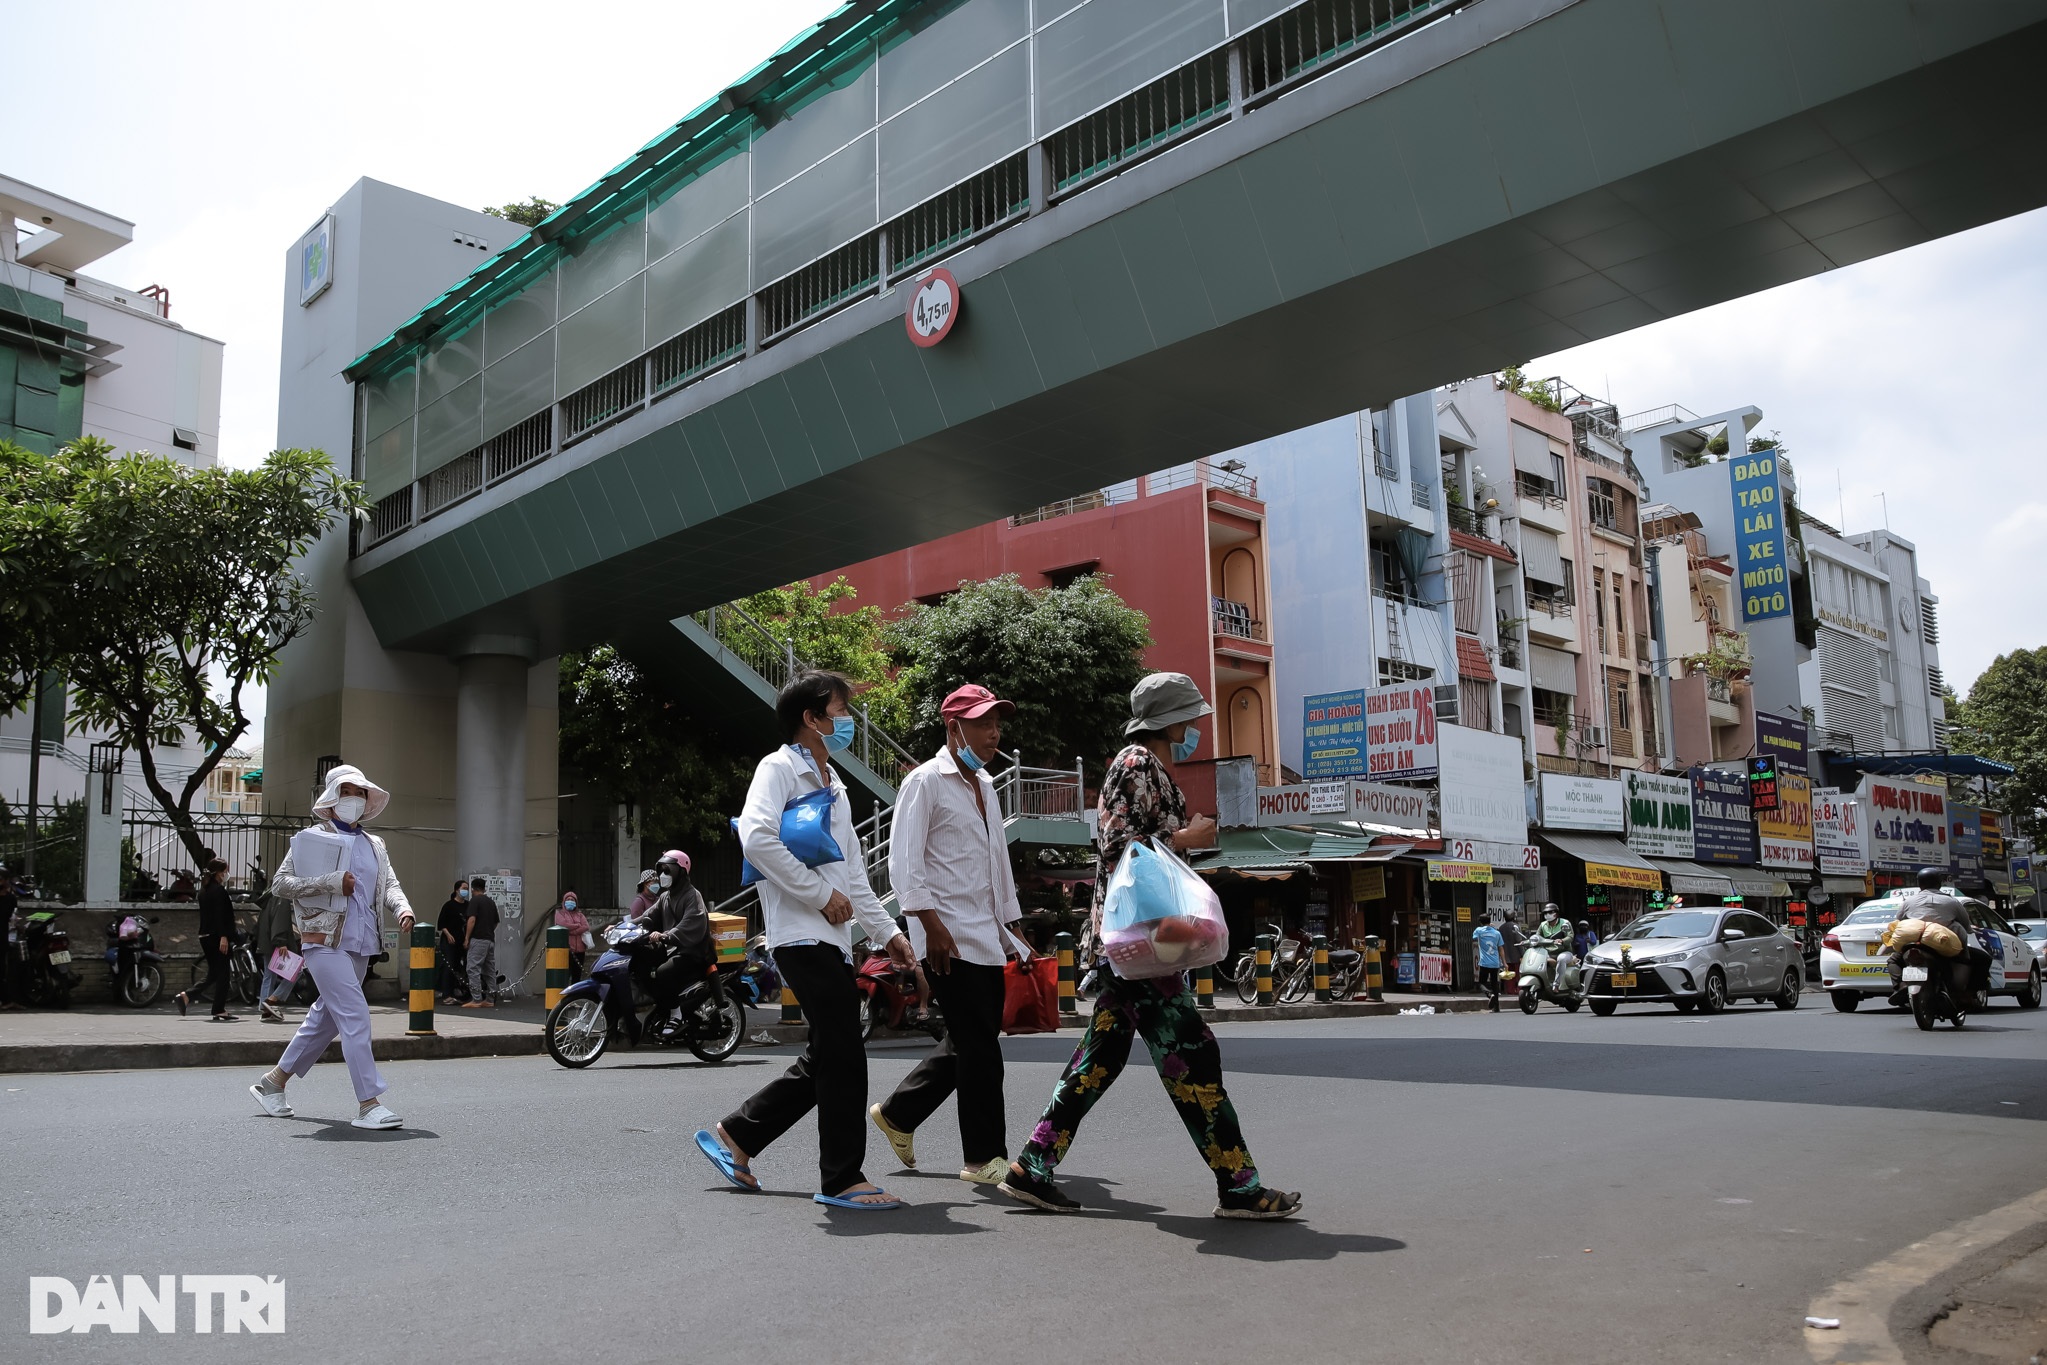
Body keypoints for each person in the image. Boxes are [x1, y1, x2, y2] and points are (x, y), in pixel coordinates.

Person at [1001, 672, 1302, 1220]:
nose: (1194, 728)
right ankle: (1238, 1186)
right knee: (1194, 1055)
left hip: (1139, 946)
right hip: (1145, 945)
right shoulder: (1137, 763)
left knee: (1102, 1057)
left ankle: (1032, 1164)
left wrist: (1182, 840)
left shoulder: (1147, 764)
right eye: (1189, 717)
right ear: (1171, 719)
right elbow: (1121, 845)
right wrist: (1188, 837)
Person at [694, 671, 919, 1210]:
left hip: (834, 939)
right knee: (843, 1052)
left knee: (828, 1053)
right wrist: (819, 895)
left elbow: (856, 876)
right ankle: (841, 1178)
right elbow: (757, 837)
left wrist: (889, 934)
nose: (848, 721)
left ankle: (737, 1136)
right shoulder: (778, 767)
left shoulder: (833, 783)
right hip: (799, 934)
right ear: (810, 719)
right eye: (839, 710)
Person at [869, 684, 1033, 1187]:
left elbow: (997, 865)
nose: (993, 733)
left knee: (972, 1040)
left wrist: (1015, 932)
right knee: (982, 1049)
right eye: (983, 723)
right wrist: (929, 924)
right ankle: (984, 1159)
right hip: (946, 939)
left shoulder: (985, 785)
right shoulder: (924, 782)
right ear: (953, 727)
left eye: (996, 723)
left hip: (986, 935)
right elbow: (904, 863)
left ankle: (898, 1113)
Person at [248, 764, 415, 1129]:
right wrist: (331, 881)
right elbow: (281, 884)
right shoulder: (311, 838)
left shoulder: (376, 845)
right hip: (322, 943)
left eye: (360, 793)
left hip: (362, 944)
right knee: (354, 1016)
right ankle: (369, 1103)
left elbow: (389, 885)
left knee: (323, 1020)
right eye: (347, 792)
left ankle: (273, 1083)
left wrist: (403, 909)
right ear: (332, 797)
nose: (355, 799)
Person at [1886, 867, 1990, 1006]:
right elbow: (1965, 925)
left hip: (1915, 943)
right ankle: (1968, 993)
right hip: (1943, 944)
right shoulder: (1952, 902)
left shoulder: (1908, 902)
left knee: (1892, 961)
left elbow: (1898, 922)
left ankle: (1901, 986)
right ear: (1939, 883)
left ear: (1920, 884)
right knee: (1983, 959)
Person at [641, 851, 715, 1014]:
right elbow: (647, 916)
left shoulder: (693, 896)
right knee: (641, 961)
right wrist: (621, 926)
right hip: (671, 948)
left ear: (680, 871)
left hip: (691, 952)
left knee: (663, 973)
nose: (662, 875)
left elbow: (690, 923)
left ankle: (675, 1013)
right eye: (661, 871)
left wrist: (664, 935)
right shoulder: (665, 897)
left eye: (667, 871)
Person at [175, 859, 240, 1021]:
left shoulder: (204, 890)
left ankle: (187, 997)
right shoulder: (218, 891)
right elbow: (220, 916)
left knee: (214, 973)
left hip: (205, 935)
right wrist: (224, 936)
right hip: (216, 937)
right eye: (225, 871)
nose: (226, 874)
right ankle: (218, 1009)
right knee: (223, 973)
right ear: (219, 873)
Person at [254, 878, 300, 1023]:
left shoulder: (269, 897)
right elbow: (279, 920)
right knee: (296, 971)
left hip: (267, 941)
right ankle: (272, 1000)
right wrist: (281, 943)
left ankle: (265, 1008)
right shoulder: (281, 898)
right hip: (278, 943)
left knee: (269, 975)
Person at [463, 877, 500, 1007]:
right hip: (490, 939)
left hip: (478, 939)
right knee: (489, 970)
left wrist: (467, 938)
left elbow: (471, 920)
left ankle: (476, 999)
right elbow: (496, 922)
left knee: (473, 968)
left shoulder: (475, 901)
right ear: (484, 888)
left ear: (473, 889)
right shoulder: (490, 902)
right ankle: (490, 999)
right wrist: (488, 930)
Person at [435, 881, 472, 1004]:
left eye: (467, 888)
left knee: (459, 967)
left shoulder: (468, 905)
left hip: (463, 941)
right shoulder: (449, 905)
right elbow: (441, 924)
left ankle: (458, 991)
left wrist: (467, 938)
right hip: (449, 941)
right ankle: (446, 994)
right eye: (463, 888)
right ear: (457, 890)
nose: (465, 891)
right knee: (448, 966)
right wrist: (448, 934)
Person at [554, 889, 591, 981]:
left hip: (580, 950)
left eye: (572, 900)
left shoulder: (580, 915)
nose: (570, 901)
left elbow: (586, 926)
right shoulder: (560, 914)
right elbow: (563, 925)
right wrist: (577, 925)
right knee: (566, 973)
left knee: (577, 974)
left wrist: (572, 932)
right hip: (567, 949)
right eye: (568, 899)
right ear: (564, 901)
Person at [1472, 916, 1505, 1012]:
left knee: (1481, 983)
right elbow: (1501, 948)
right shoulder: (1497, 933)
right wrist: (1504, 963)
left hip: (1484, 962)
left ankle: (1489, 994)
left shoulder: (1479, 930)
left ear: (1481, 923)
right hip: (1495, 962)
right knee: (1495, 983)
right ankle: (1496, 1007)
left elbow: (1474, 938)